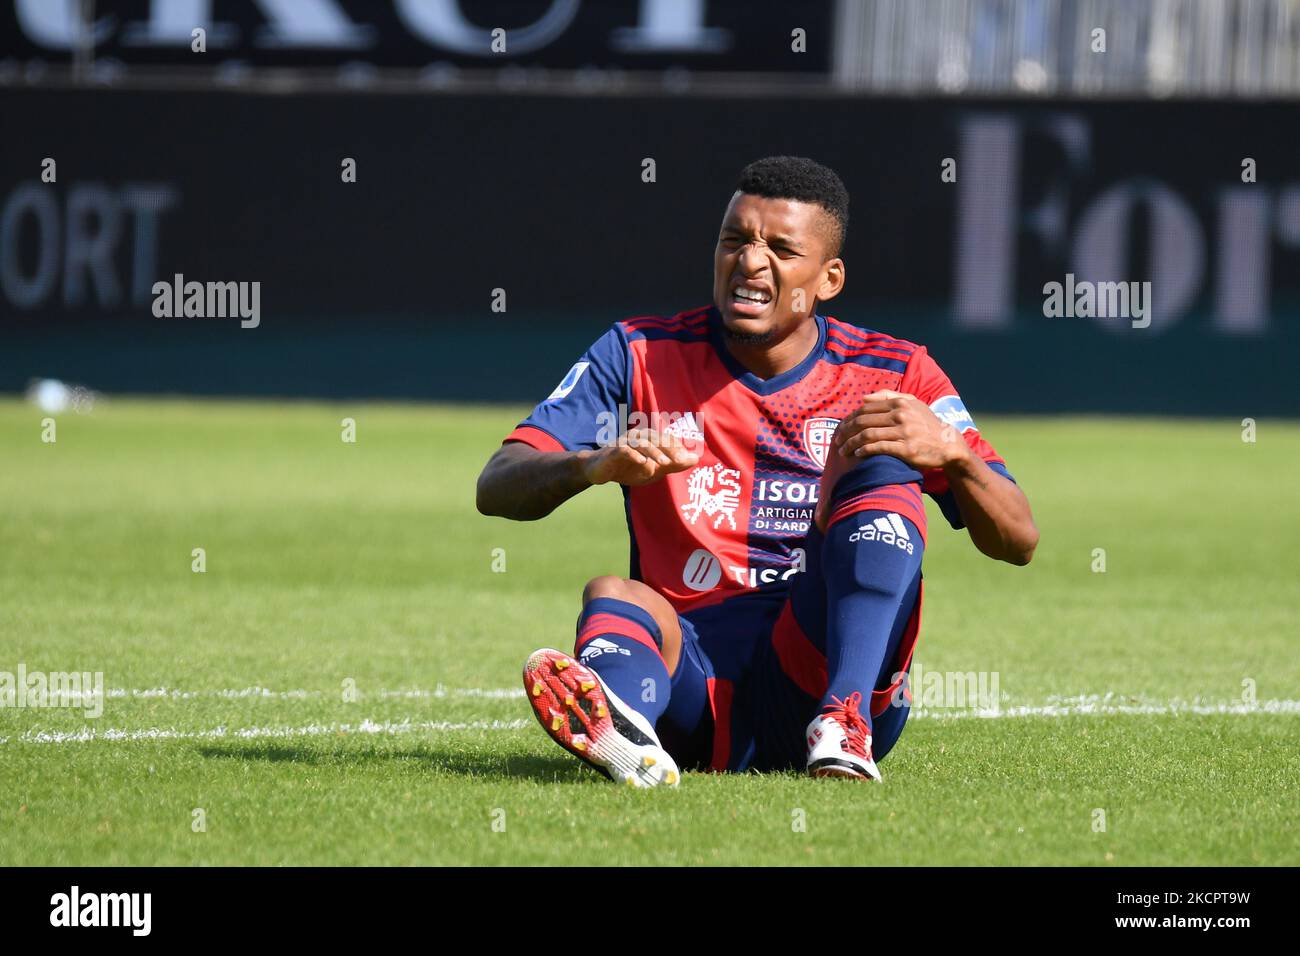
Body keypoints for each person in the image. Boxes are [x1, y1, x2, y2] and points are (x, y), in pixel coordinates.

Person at [476, 156, 1038, 786]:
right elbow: (497, 484)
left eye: (779, 248)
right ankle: (627, 731)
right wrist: (592, 463)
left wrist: (956, 456)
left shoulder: (896, 372)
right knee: (612, 592)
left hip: (816, 664)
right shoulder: (638, 352)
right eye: (735, 239)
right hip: (695, 688)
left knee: (879, 451)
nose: (748, 261)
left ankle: (843, 719)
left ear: (828, 279)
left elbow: (1018, 540)